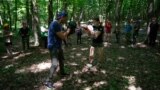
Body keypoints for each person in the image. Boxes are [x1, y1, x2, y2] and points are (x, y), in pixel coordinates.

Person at [45, 11, 70, 88]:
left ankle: (62, 72)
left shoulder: (59, 25)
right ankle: (48, 81)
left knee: (61, 60)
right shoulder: (55, 23)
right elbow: (62, 36)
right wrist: (68, 31)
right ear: (62, 17)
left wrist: (66, 40)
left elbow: (61, 33)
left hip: (58, 46)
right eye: (66, 18)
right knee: (55, 64)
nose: (66, 19)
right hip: (53, 46)